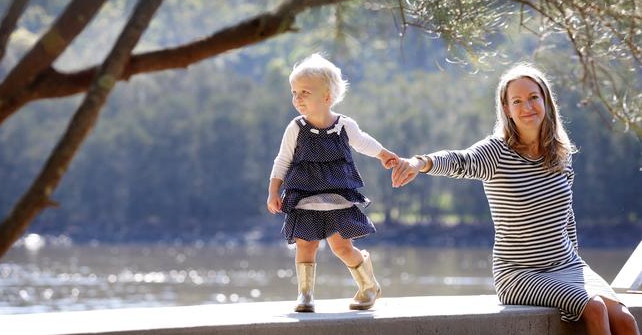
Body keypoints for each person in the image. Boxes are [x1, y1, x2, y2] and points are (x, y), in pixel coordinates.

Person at [390, 63, 639, 334]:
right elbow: (460, 161)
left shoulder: (559, 154)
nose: (527, 107)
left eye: (533, 97)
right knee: (594, 309)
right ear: (506, 109)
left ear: (545, 101)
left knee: (625, 319)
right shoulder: (496, 152)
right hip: (519, 273)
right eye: (517, 101)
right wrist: (420, 162)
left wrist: (577, 272)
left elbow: (567, 217)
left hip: (568, 265)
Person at [267, 53, 397, 312]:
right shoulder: (296, 127)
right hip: (305, 197)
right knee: (306, 244)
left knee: (342, 246)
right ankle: (305, 295)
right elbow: (282, 160)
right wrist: (273, 191)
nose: (297, 98)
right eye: (294, 92)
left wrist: (383, 154)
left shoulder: (343, 126)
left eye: (305, 92)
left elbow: (363, 142)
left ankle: (368, 285)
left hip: (337, 197)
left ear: (326, 97)